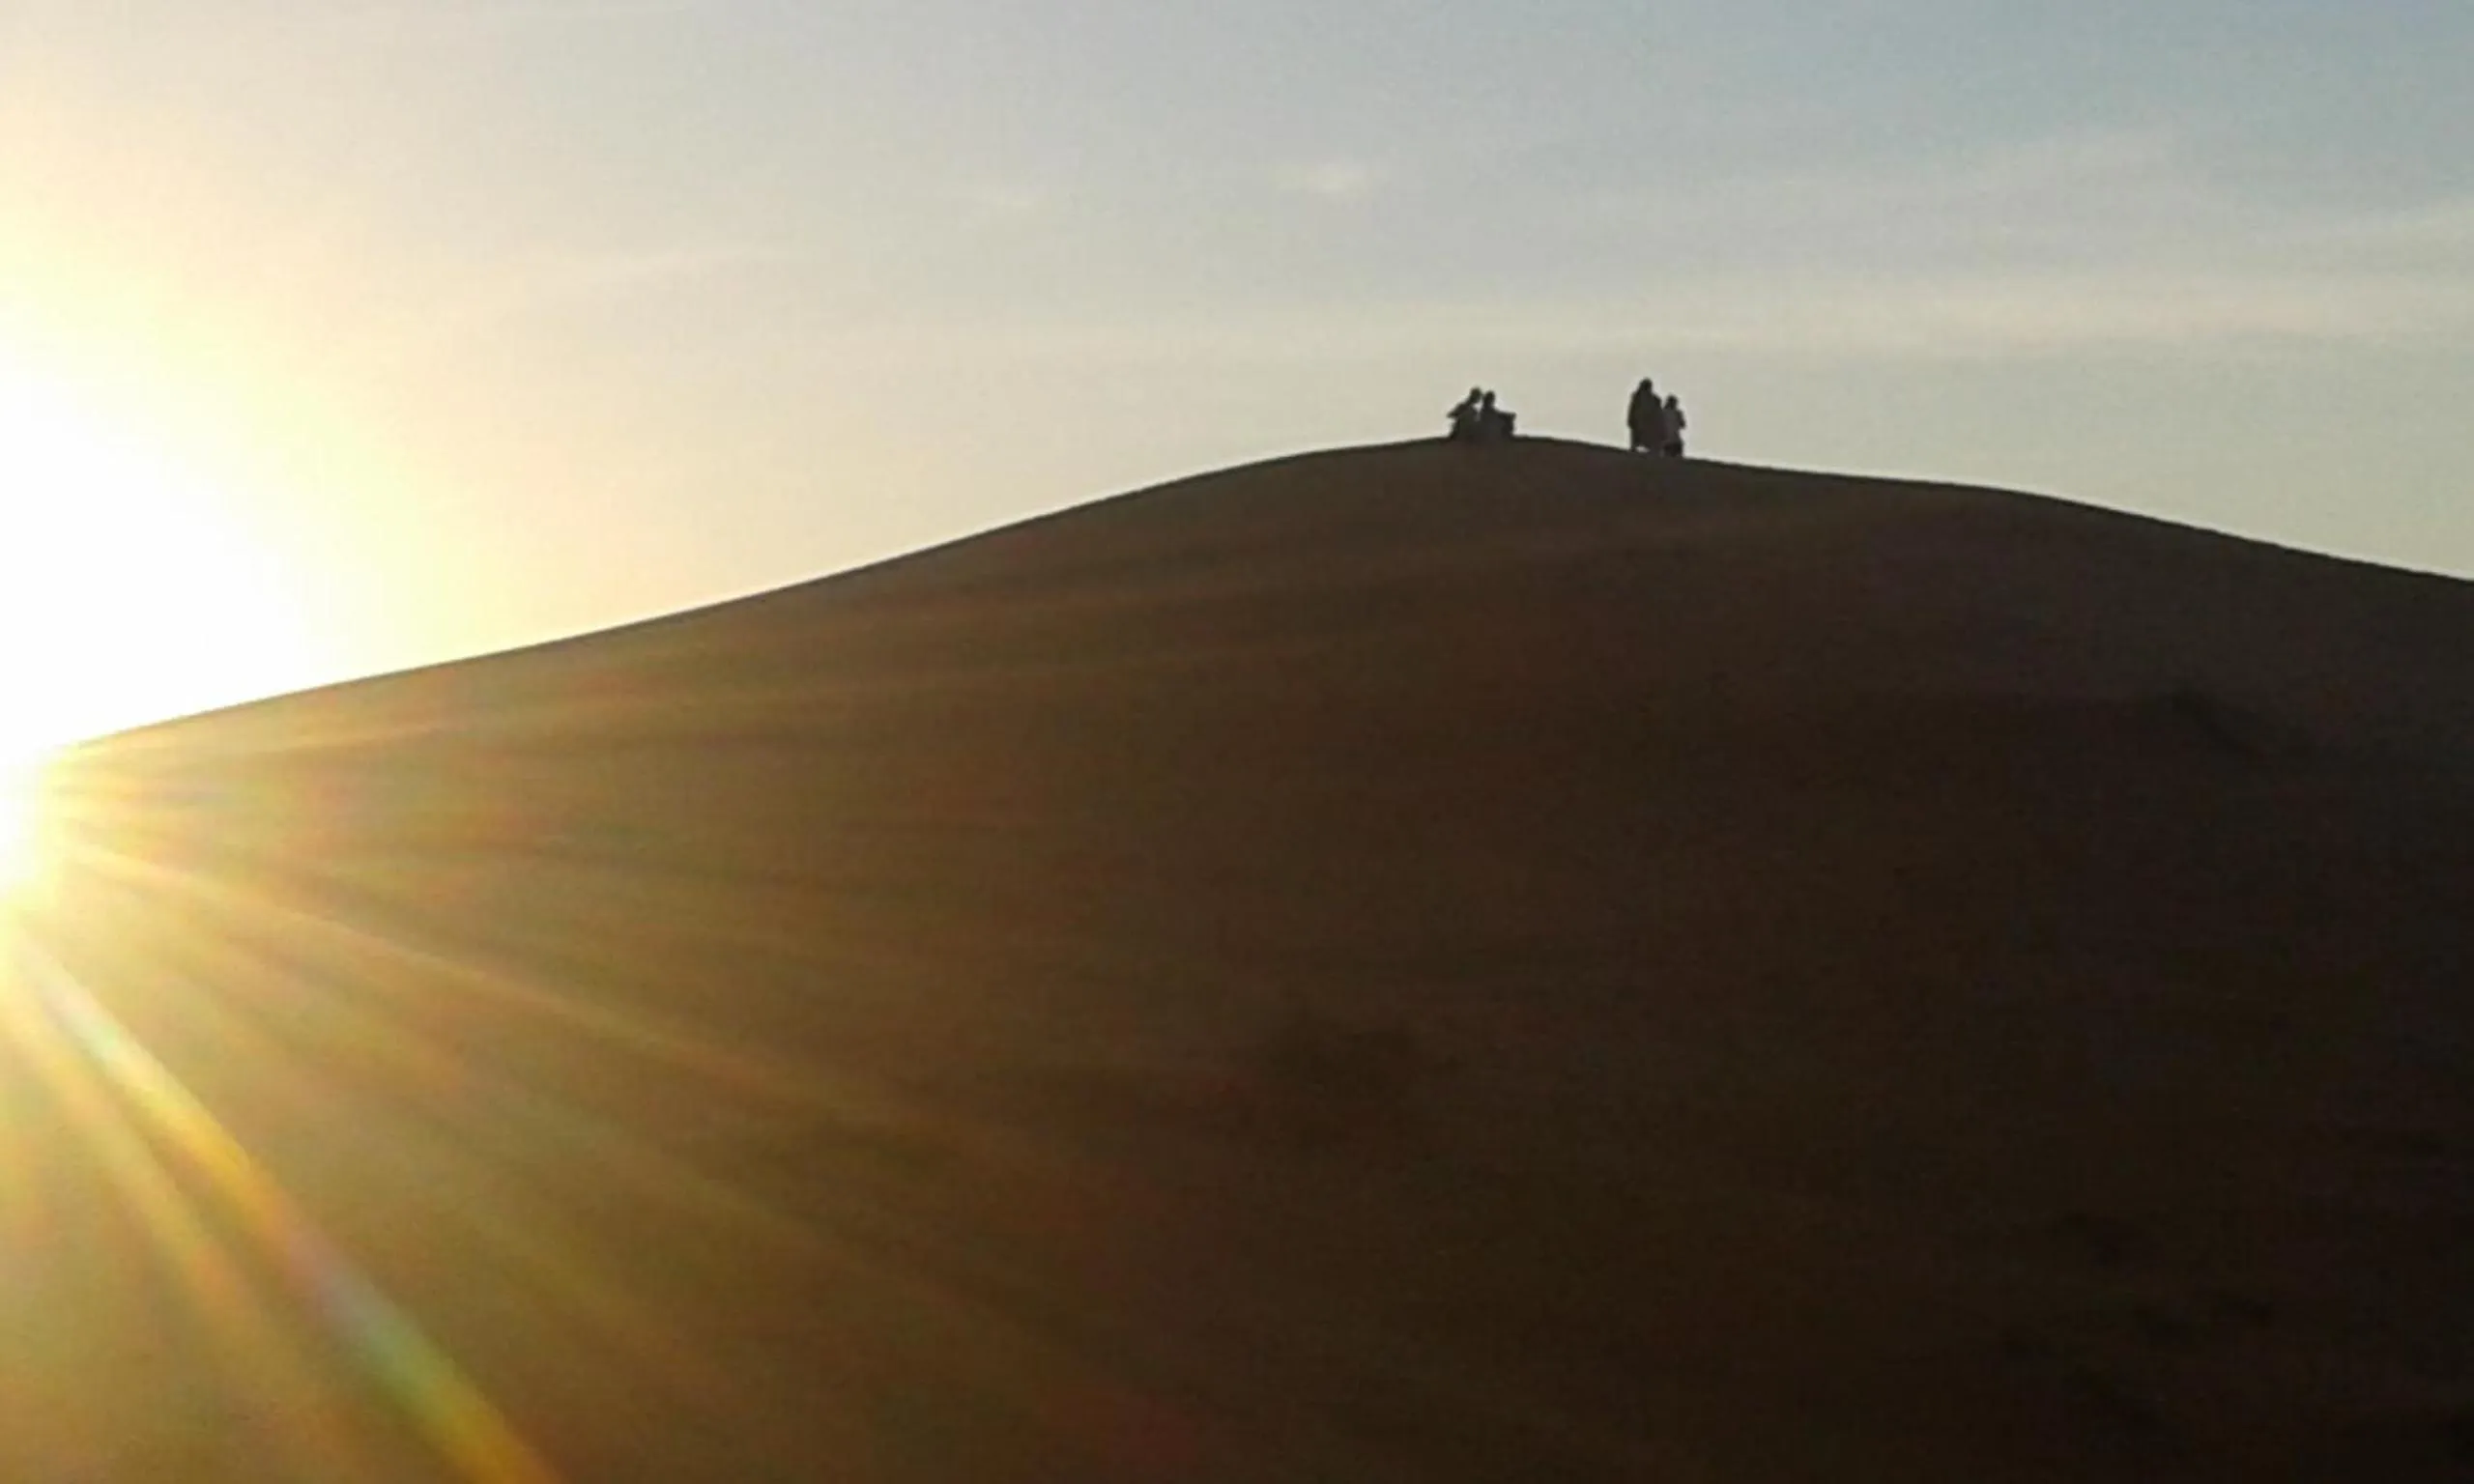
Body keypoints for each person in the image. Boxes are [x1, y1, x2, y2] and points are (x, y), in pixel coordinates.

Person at [1626, 378, 1660, 452]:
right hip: (1639, 420)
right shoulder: (1637, 396)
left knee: (1646, 438)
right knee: (1636, 437)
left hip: (1647, 421)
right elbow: (1633, 408)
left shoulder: (1654, 399)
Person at [1659, 393, 1686, 458]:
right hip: (1672, 440)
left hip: (1668, 440)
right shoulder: (1677, 413)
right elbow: (1683, 425)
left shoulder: (1662, 413)